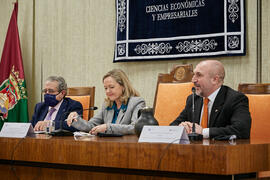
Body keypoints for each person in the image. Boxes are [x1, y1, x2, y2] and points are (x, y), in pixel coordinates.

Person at [170, 60, 251, 139]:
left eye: (199, 75)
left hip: (222, 150)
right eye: (194, 75)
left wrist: (203, 132)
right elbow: (173, 125)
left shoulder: (235, 99)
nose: (193, 80)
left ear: (215, 79)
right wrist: (181, 127)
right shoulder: (193, 99)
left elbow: (242, 130)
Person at [67, 69, 145, 135]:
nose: (108, 91)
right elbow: (91, 126)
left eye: (111, 87)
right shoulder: (107, 105)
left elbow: (135, 128)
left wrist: (108, 127)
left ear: (123, 86)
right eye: (105, 88)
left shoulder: (137, 102)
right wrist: (75, 118)